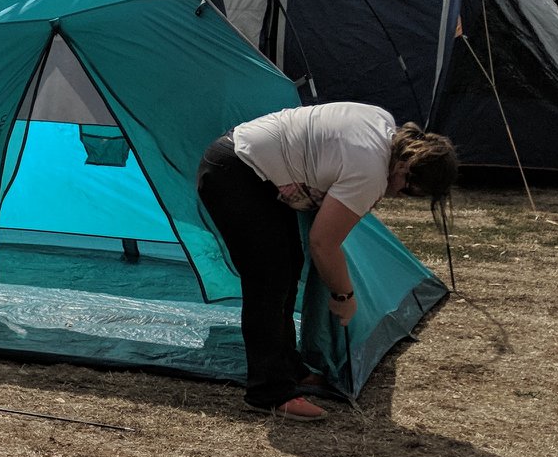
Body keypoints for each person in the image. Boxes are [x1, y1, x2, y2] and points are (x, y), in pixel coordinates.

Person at [196, 103, 458, 421]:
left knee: (288, 266)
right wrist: (343, 296)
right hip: (235, 172)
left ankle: (289, 368)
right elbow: (322, 243)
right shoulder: (371, 171)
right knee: (268, 280)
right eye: (408, 190)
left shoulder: (383, 122)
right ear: (406, 168)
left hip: (251, 167)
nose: (399, 196)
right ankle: (269, 391)